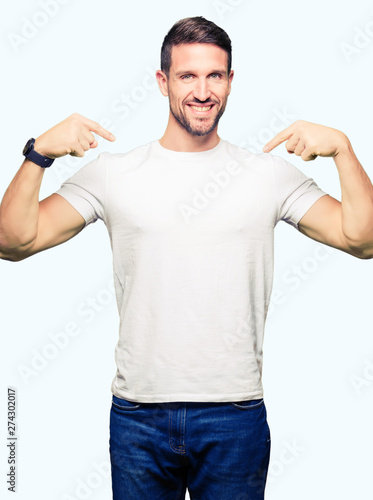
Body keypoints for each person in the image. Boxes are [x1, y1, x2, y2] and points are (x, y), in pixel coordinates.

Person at [1, 15, 372, 500]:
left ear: (231, 81)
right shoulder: (113, 174)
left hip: (234, 414)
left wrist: (344, 150)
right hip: (139, 416)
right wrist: (38, 155)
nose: (203, 90)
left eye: (215, 75)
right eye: (187, 76)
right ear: (162, 81)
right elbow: (13, 241)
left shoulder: (268, 175)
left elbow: (362, 240)